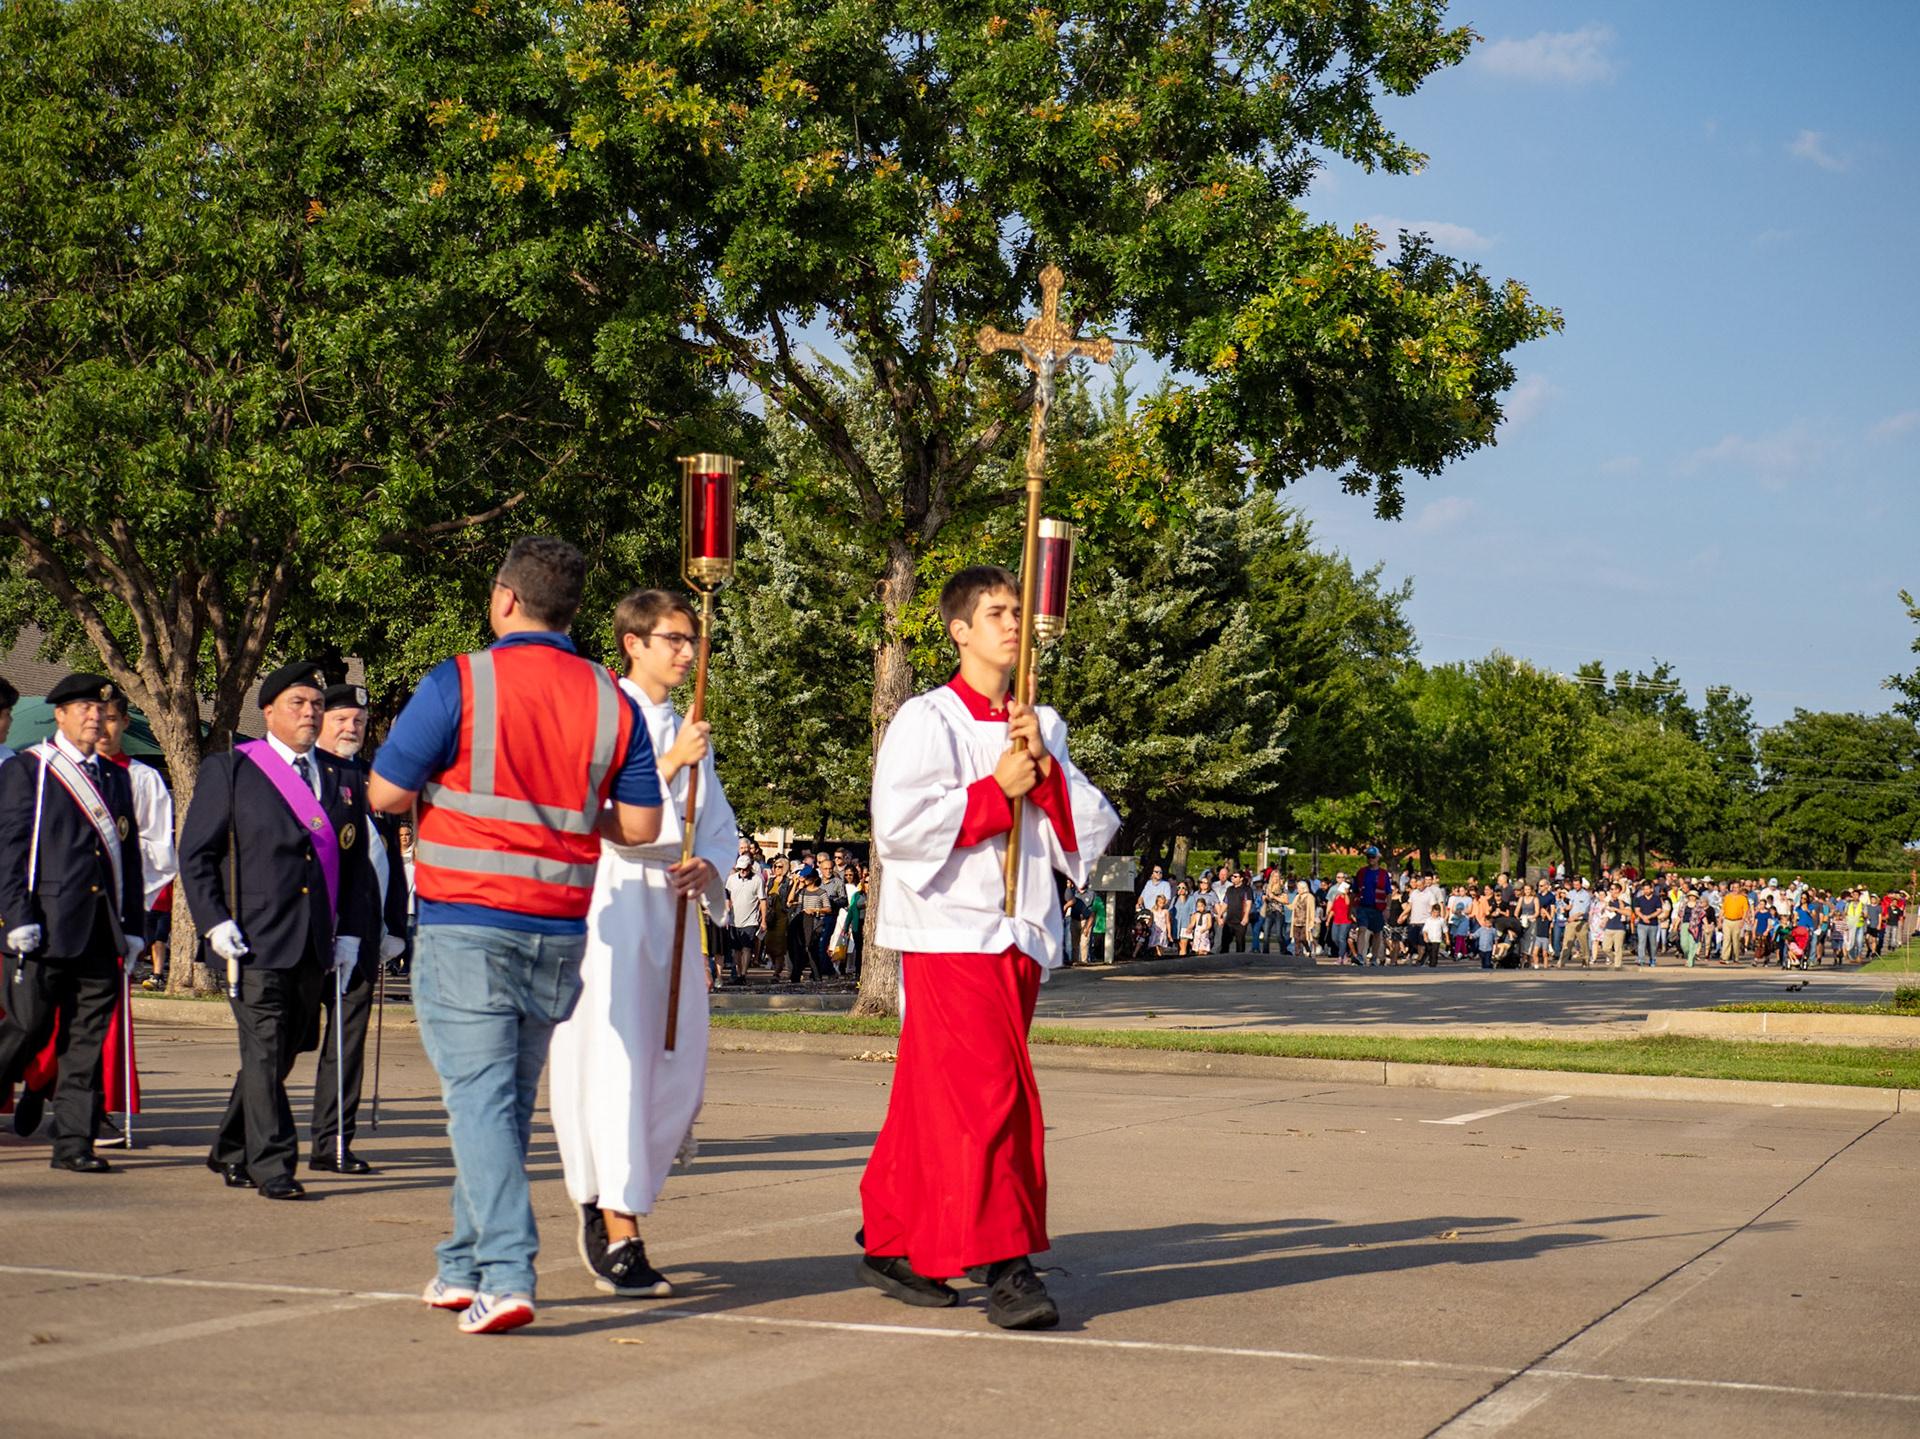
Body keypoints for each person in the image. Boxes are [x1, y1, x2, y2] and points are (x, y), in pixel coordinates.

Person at [366, 536, 663, 1336]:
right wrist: (570, 813)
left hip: (469, 921)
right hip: (558, 927)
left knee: (479, 1102)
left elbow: (387, 792)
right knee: (498, 1103)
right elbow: (640, 823)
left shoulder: (462, 679)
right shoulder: (611, 697)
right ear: (570, 611)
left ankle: (505, 1268)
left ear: (504, 599)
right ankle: (462, 1263)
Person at [857, 565, 1119, 1332]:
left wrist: (1043, 776)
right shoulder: (924, 719)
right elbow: (897, 829)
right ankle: (1006, 1264)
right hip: (949, 931)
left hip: (1020, 929)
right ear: (958, 629)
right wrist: (992, 791)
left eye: (1016, 611)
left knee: (933, 1096)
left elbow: (1093, 830)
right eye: (995, 612)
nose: (1012, 623)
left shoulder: (1043, 722)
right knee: (991, 1098)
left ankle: (891, 1231)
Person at [547, 588, 736, 1302]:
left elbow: (717, 820)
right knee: (616, 1066)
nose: (686, 652)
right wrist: (665, 765)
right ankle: (615, 1220)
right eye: (673, 639)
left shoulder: (687, 724)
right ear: (633, 642)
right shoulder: (602, 715)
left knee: (678, 1073)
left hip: (673, 908)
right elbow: (582, 810)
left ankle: (615, 1192)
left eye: (690, 640)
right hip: (614, 909)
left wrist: (709, 863)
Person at [181, 661, 383, 1200]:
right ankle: (274, 1165)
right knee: (267, 1048)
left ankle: (228, 1145)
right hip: (252, 940)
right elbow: (196, 854)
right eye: (299, 703)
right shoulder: (232, 769)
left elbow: (357, 867)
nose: (311, 713)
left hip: (315, 942)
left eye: (317, 704)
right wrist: (214, 921)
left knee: (282, 1051)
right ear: (268, 710)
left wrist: (351, 933)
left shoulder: (341, 778)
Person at [0, 674, 145, 1172]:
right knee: (27, 1027)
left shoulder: (116, 777)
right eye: (83, 707)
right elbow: (11, 851)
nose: (94, 716)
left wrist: (133, 925)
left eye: (100, 709)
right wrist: (17, 915)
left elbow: (128, 858)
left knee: (85, 1041)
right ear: (59, 715)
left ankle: (73, 1144)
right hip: (43, 926)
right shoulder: (29, 771)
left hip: (101, 932)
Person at [309, 683, 412, 1172]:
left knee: (348, 1043)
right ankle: (244, 1134)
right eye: (342, 719)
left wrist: (394, 926)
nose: (352, 729)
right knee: (286, 1041)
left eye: (359, 722)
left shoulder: (375, 782)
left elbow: (388, 860)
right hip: (309, 932)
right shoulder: (303, 776)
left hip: (364, 932)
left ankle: (334, 1141)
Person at [724, 853, 765, 980]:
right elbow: (728, 898)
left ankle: (743, 974)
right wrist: (726, 914)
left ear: (750, 867)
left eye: (745, 869)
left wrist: (763, 920)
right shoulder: (731, 879)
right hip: (734, 920)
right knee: (736, 949)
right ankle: (737, 972)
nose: (742, 871)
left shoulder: (758, 880)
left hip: (750, 919)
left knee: (746, 948)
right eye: (740, 869)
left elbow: (762, 901)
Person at [1353, 847, 1392, 966]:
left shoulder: (1383, 874)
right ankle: (1360, 955)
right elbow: (1354, 891)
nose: (1370, 859)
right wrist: (1351, 907)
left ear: (1378, 858)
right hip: (1363, 906)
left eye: (1373, 857)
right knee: (1362, 929)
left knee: (1377, 932)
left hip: (1378, 907)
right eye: (1368, 857)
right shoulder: (1361, 872)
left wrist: (1387, 908)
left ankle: (1374, 957)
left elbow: (1388, 892)